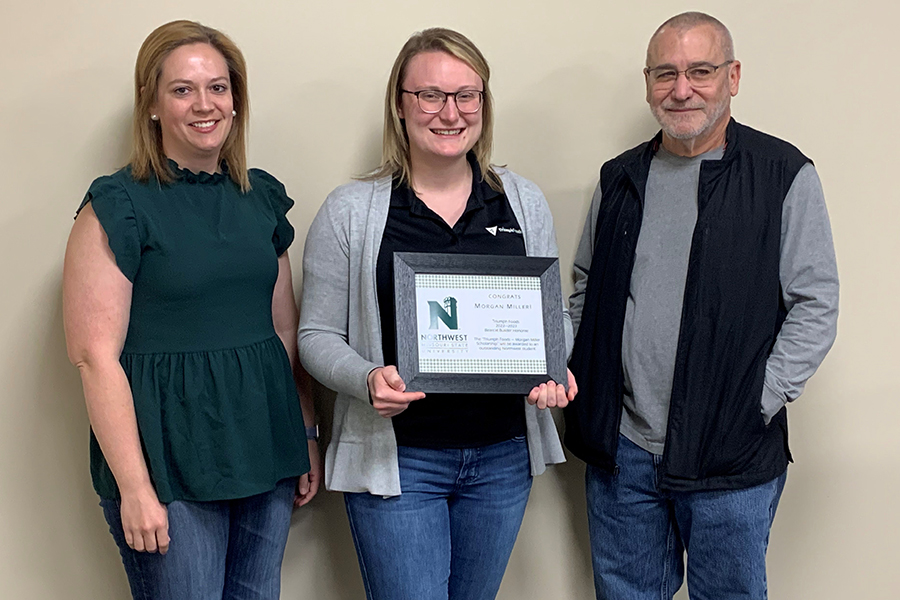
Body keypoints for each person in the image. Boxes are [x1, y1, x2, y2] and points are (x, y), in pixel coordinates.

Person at [565, 11, 839, 600]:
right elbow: (585, 287)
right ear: (647, 83)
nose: (681, 89)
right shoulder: (620, 179)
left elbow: (816, 305)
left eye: (700, 71)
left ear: (733, 77)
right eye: (665, 73)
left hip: (730, 453)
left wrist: (759, 401)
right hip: (624, 454)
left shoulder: (782, 174)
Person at [297, 27, 576, 600]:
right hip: (399, 462)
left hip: (502, 459)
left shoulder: (522, 202)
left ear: (483, 104)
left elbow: (552, 320)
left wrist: (554, 365)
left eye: (465, 95)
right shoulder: (351, 212)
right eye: (429, 95)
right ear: (400, 106)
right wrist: (366, 378)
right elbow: (316, 335)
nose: (449, 113)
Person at [62, 20, 320, 600]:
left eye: (219, 88)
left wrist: (304, 432)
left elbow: (283, 328)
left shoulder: (261, 198)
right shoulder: (118, 203)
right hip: (168, 459)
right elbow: (92, 355)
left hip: (264, 446)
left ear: (236, 98)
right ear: (152, 104)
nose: (205, 104)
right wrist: (134, 486)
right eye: (182, 89)